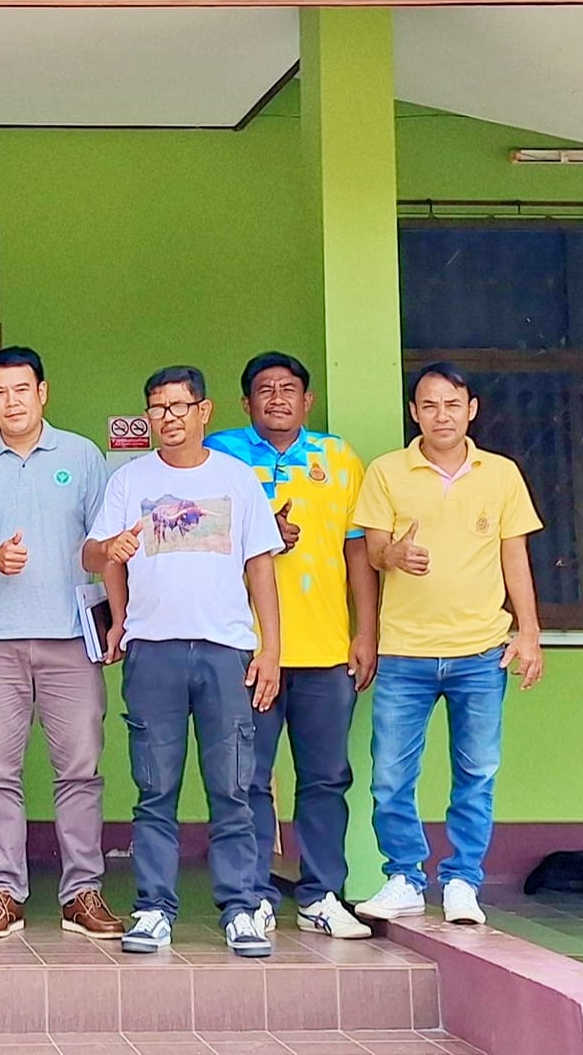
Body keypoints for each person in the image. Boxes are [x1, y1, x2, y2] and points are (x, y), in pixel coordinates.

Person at [85, 365, 282, 959]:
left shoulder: (237, 479)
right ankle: (153, 909)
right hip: (153, 652)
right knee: (154, 789)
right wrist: (112, 561)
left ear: (204, 411)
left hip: (226, 652)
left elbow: (260, 566)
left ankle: (240, 908)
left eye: (178, 406)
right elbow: (95, 554)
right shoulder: (129, 480)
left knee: (233, 788)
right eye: (157, 408)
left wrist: (271, 649)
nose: (167, 418)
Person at [352, 362, 544, 928]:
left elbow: (515, 556)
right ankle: (404, 878)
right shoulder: (387, 472)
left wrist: (529, 632)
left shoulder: (501, 474)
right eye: (430, 405)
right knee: (390, 776)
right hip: (404, 652)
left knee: (477, 773)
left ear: (471, 410)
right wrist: (393, 555)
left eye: (452, 404)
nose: (442, 415)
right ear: (414, 412)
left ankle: (462, 881)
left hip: (480, 651)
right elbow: (372, 550)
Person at [0, 346, 123, 941]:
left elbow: (106, 547)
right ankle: (2, 893)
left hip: (71, 638)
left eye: (22, 389)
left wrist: (117, 619)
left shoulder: (82, 455)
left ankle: (83, 893)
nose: (11, 401)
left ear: (42, 393)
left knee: (80, 769)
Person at [203, 353, 377, 941]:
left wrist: (365, 631)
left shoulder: (339, 458)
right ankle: (250, 896)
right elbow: (197, 537)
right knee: (246, 780)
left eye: (288, 389)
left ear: (308, 401)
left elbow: (357, 549)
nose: (277, 398)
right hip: (245, 648)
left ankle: (321, 894)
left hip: (326, 649)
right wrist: (259, 534)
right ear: (245, 403)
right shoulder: (221, 455)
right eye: (264, 389)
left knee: (326, 778)